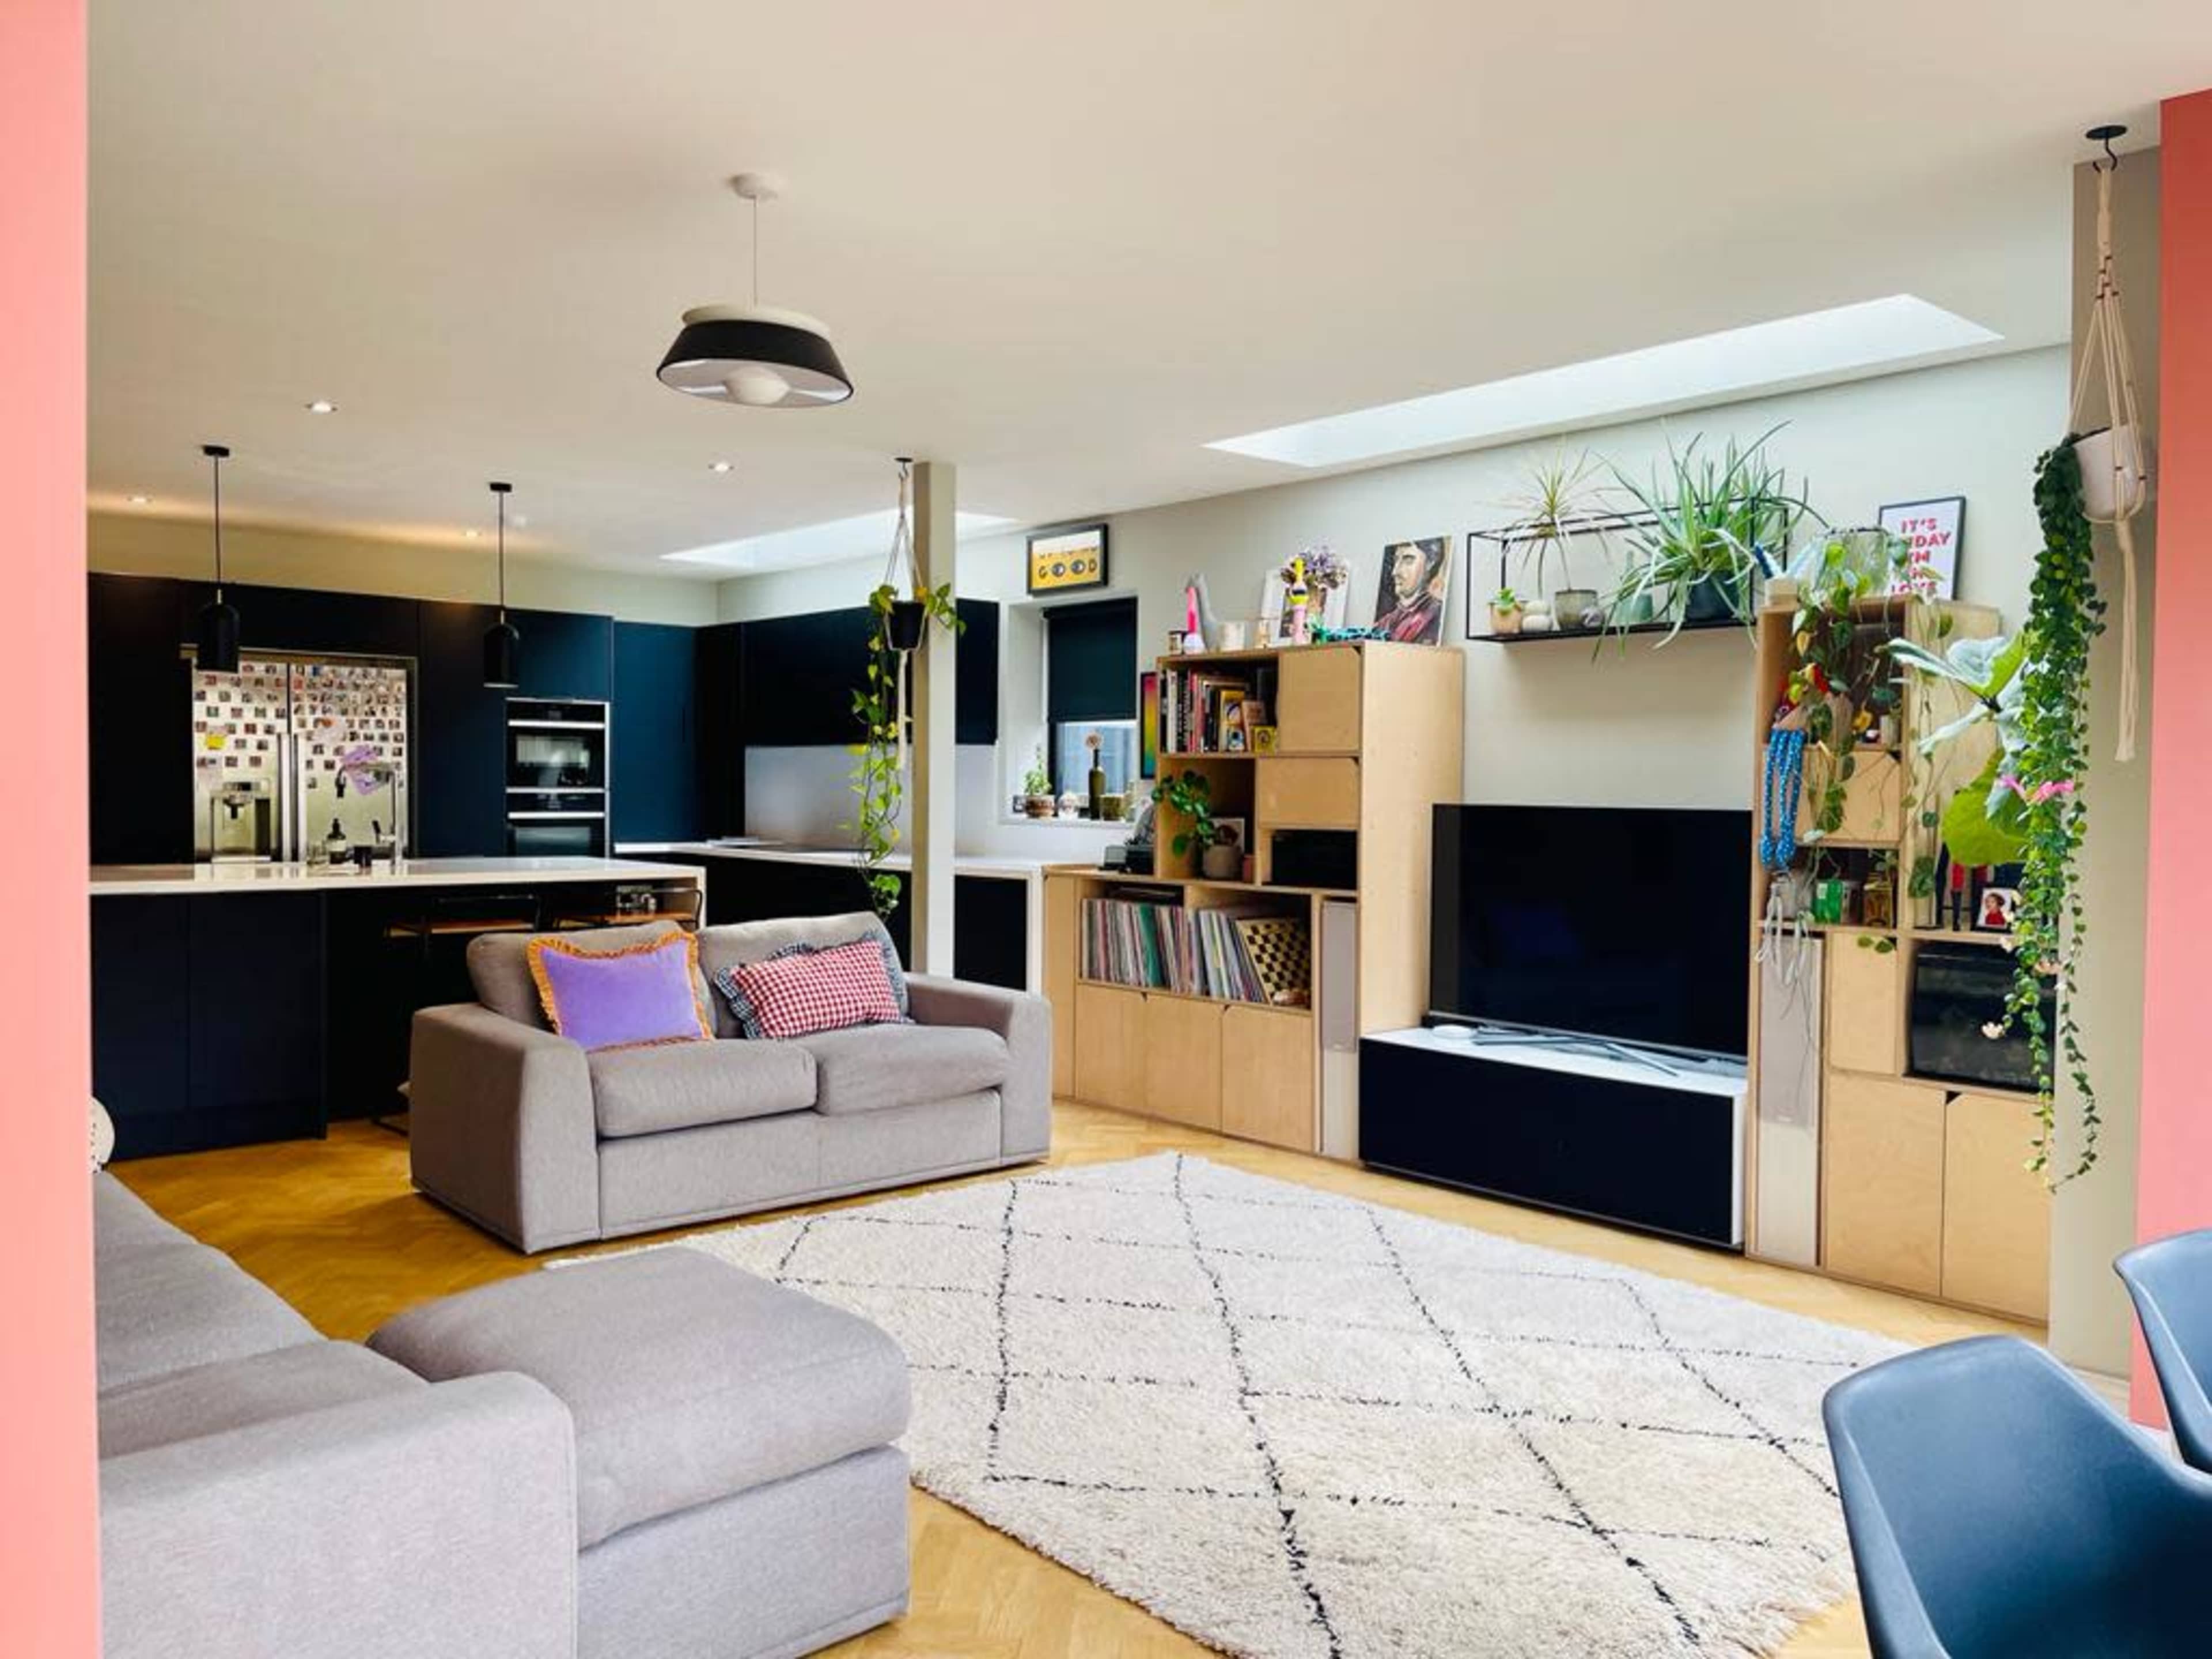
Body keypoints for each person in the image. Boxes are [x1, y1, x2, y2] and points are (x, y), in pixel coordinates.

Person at [1373, 539, 1447, 643]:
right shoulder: (1387, 621)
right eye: (1396, 560)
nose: (1395, 572)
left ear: (1430, 564)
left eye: (1408, 561)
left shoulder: (1434, 614)